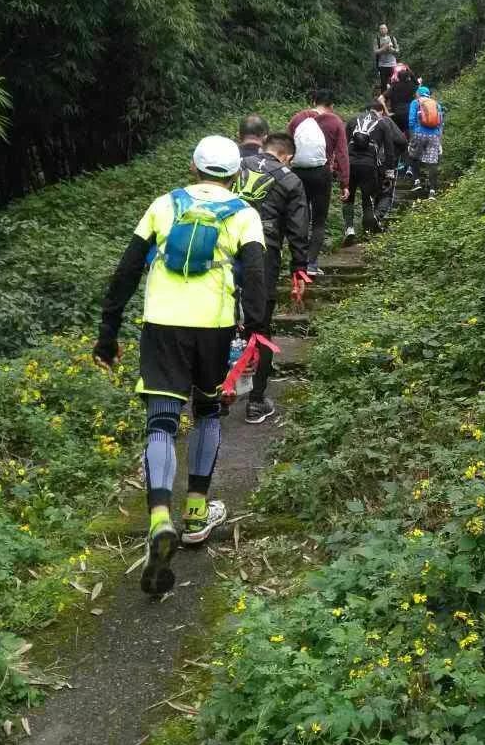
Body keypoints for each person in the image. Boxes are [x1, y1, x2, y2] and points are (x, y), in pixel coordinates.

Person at [93, 136, 266, 596]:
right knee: (208, 412)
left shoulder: (163, 205)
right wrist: (256, 333)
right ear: (235, 175)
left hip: (162, 323)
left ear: (193, 166)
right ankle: (195, 514)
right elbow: (257, 275)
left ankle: (158, 516)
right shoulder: (245, 215)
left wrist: (108, 332)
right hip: (213, 327)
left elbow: (128, 268)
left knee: (161, 422)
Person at [235, 115, 312, 425]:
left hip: (224, 252)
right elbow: (297, 230)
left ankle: (216, 395)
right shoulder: (290, 180)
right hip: (263, 258)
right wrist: (299, 269)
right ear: (288, 156)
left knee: (222, 322)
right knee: (260, 327)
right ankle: (255, 401)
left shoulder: (235, 169)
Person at [288, 89, 350, 277]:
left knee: (300, 217)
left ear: (313, 100)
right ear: (332, 105)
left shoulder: (298, 118)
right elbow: (341, 154)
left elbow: (286, 144)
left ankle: (298, 264)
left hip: (298, 172)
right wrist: (345, 182)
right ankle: (312, 264)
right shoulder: (335, 121)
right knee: (319, 221)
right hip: (322, 173)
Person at [343, 100, 407, 246]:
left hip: (350, 163)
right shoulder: (383, 123)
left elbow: (343, 144)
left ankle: (349, 229)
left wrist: (339, 167)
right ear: (379, 111)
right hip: (369, 165)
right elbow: (390, 150)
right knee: (367, 199)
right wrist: (389, 170)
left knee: (348, 198)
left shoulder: (353, 120)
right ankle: (367, 233)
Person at [408, 85, 444, 197]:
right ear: (429, 94)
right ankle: (432, 192)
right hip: (434, 135)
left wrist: (413, 136)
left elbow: (411, 121)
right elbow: (441, 123)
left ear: (418, 93)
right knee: (432, 162)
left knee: (413, 156)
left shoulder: (416, 102)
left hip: (419, 133)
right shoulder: (436, 104)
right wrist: (439, 140)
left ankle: (417, 182)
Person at [387, 63, 419, 145]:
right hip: (409, 112)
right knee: (409, 133)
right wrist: (410, 72)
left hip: (396, 113)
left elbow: (381, 98)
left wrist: (387, 112)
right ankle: (409, 148)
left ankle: (398, 151)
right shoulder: (412, 86)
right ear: (408, 77)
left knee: (397, 135)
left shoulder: (393, 86)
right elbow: (417, 83)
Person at [373, 23, 400, 92]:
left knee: (394, 82)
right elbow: (375, 51)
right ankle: (384, 99)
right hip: (382, 64)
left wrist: (391, 49)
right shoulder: (377, 40)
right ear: (379, 30)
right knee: (383, 84)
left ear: (387, 29)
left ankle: (394, 99)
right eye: (381, 29)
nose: (383, 30)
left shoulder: (392, 38)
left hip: (392, 64)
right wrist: (384, 48)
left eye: (384, 28)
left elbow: (397, 50)